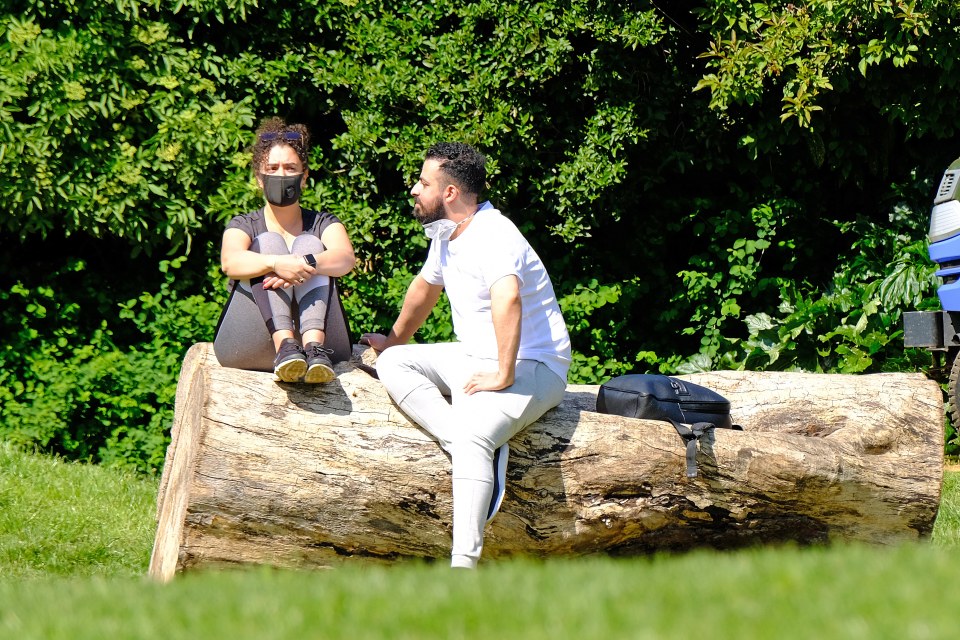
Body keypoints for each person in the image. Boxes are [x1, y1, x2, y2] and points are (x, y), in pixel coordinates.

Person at [361, 142, 571, 569]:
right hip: (476, 357)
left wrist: (503, 374)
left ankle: (463, 567)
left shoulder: (494, 233)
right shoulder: (447, 236)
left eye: (423, 183)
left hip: (535, 365)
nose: (414, 190)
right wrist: (393, 342)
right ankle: (462, 445)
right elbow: (423, 291)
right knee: (394, 365)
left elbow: (508, 298)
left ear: (451, 192)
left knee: (479, 434)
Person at [218, 117, 356, 382]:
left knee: (310, 245)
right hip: (248, 343)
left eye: (290, 167)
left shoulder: (322, 223)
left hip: (324, 352)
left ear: (304, 177)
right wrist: (276, 264)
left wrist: (303, 262)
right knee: (268, 244)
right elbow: (230, 262)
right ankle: (285, 345)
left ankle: (313, 345)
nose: (281, 175)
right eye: (272, 168)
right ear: (259, 177)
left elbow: (345, 258)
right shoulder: (244, 224)